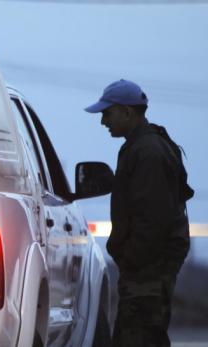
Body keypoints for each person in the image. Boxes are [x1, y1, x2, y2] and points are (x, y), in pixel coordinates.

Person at [85, 79, 194, 347]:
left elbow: (153, 219)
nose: (103, 122)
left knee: (140, 337)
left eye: (107, 114)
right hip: (145, 266)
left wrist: (131, 257)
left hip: (148, 267)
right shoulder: (141, 147)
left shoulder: (149, 152)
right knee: (135, 335)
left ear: (127, 112)